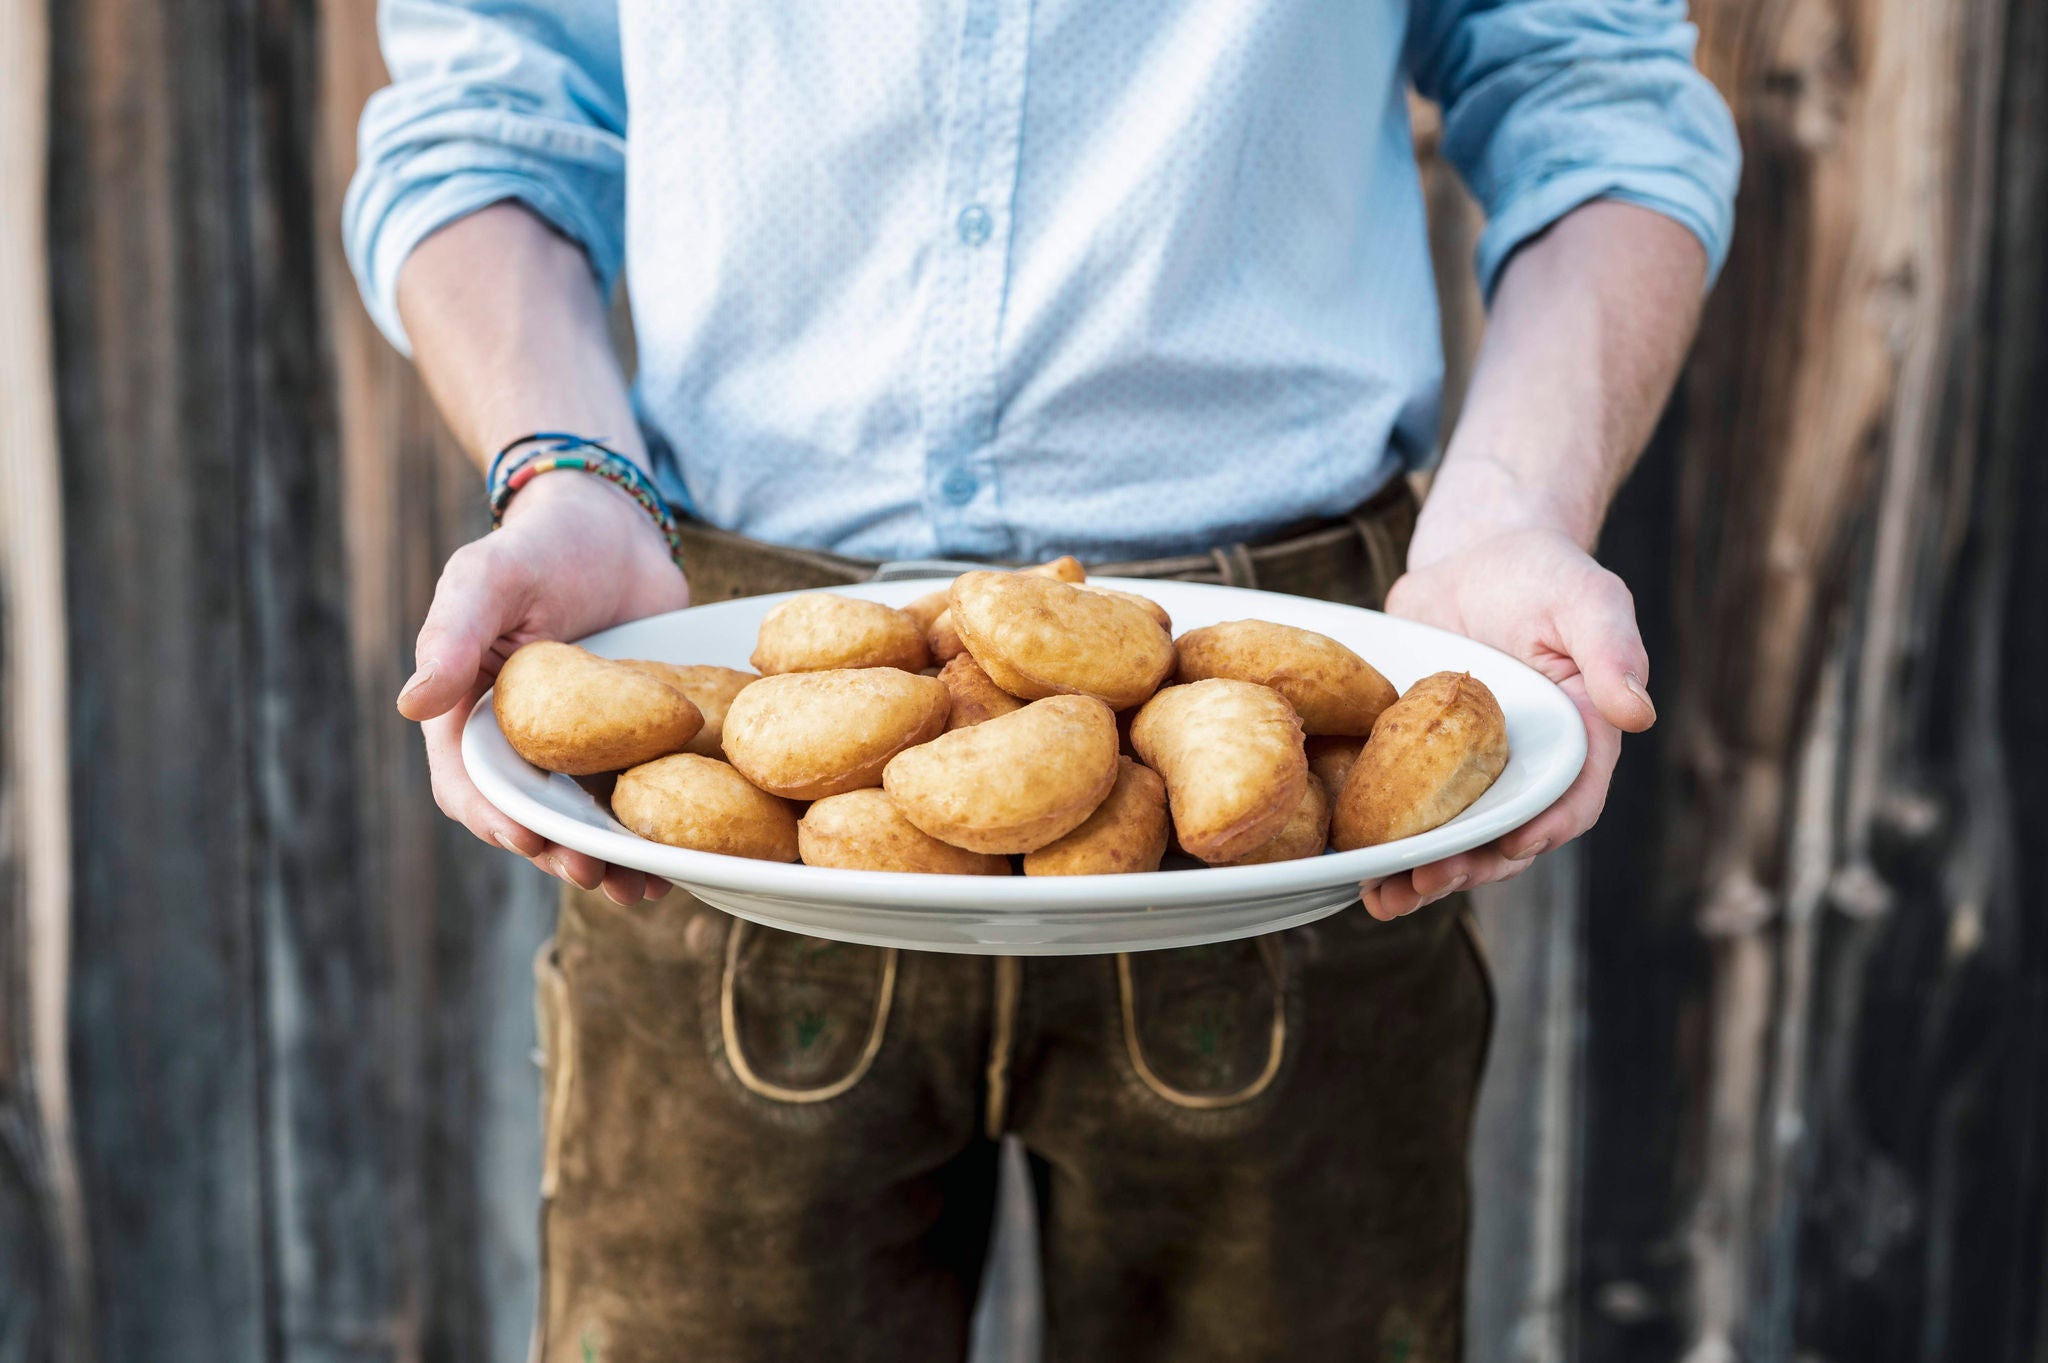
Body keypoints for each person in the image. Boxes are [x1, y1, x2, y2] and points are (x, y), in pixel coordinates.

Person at [346, 2, 1737, 1358]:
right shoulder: (717, 740)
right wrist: (567, 478)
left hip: (1315, 746)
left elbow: (1593, 88)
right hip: (725, 715)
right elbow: (500, 106)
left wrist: (1515, 509)